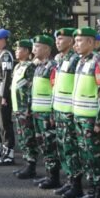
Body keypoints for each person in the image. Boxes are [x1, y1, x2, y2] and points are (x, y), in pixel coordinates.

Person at [70, 27, 100, 198]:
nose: (76, 44)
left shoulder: (98, 62)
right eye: (75, 41)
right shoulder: (81, 61)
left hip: (91, 119)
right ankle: (92, 191)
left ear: (91, 43)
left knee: (96, 158)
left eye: (80, 41)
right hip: (80, 117)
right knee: (86, 157)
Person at [52, 27, 82, 198]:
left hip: (69, 113)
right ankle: (70, 181)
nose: (58, 41)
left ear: (71, 41)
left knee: (72, 150)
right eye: (57, 39)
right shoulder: (61, 60)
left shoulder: (75, 60)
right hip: (59, 111)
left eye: (62, 39)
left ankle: (76, 184)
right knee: (63, 148)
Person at [30, 35, 61, 189]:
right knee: (43, 145)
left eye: (38, 46)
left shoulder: (52, 66)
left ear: (47, 49)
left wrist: (52, 113)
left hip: (46, 114)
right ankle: (48, 175)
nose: (34, 49)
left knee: (50, 146)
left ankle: (54, 177)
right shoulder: (38, 66)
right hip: (37, 113)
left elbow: (55, 90)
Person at [10, 39, 38, 179]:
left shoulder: (30, 67)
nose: (16, 51)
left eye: (19, 49)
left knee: (28, 138)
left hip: (24, 109)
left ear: (27, 52)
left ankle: (31, 166)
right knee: (22, 138)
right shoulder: (18, 66)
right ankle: (26, 163)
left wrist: (28, 108)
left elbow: (31, 89)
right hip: (17, 108)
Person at [0, 28, 17, 166]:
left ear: (2, 40)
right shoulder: (0, 55)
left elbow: (6, 78)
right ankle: (4, 151)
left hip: (2, 94)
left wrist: (4, 96)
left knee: (5, 123)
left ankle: (9, 153)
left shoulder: (6, 55)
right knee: (0, 124)